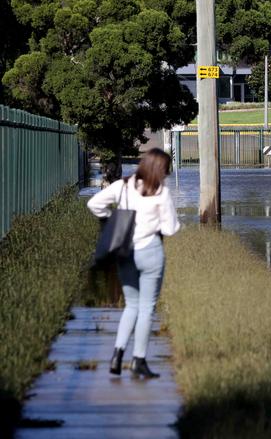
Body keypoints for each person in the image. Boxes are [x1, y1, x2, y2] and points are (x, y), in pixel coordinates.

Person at [87, 148, 180, 378]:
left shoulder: (123, 186)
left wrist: (112, 220)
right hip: (151, 252)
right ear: (160, 170)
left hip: (125, 251)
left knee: (131, 305)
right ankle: (139, 360)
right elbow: (170, 228)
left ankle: (117, 355)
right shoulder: (161, 192)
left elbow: (94, 204)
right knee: (147, 308)